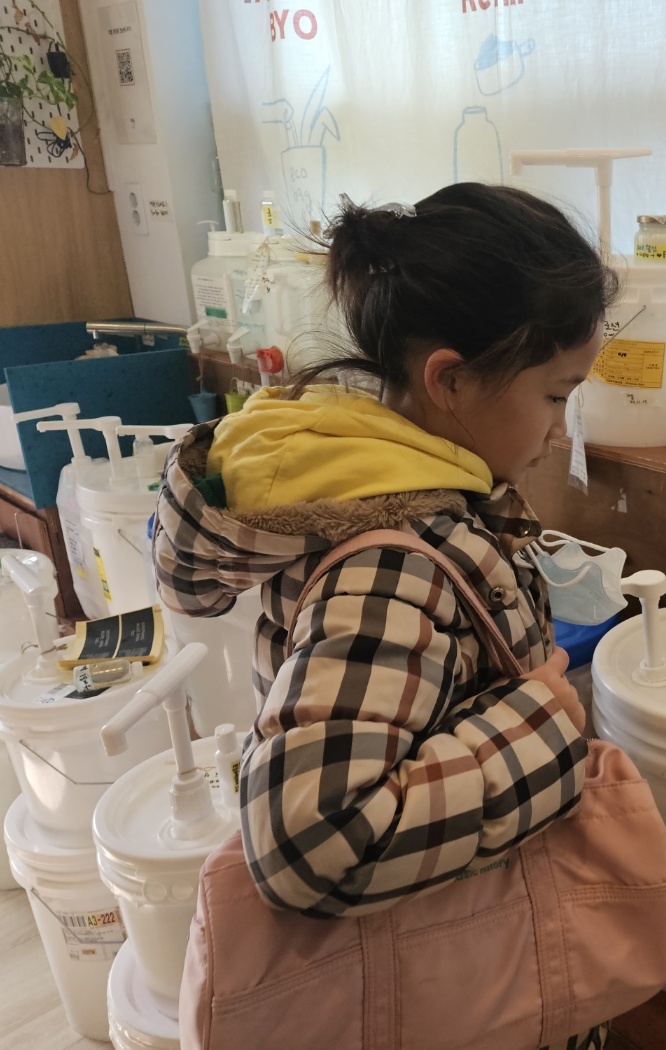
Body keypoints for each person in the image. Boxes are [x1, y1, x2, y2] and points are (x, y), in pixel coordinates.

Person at [154, 184, 617, 1050]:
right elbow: (310, 840)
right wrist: (541, 728)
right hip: (450, 992)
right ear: (450, 379)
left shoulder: (362, 468)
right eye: (557, 396)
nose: (561, 432)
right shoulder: (393, 563)